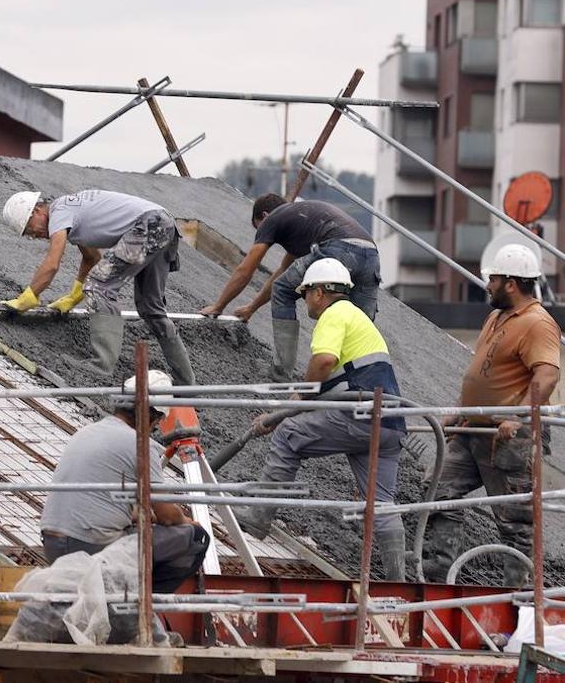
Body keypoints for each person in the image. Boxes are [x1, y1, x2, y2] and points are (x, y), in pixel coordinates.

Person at [235, 258, 407, 581]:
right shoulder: (358, 318)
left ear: (319, 292)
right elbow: (344, 381)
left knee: (289, 434)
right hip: (390, 424)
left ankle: (257, 517)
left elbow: (325, 360)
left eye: (305, 294)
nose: (304, 301)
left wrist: (299, 398)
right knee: (382, 502)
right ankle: (399, 580)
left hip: (360, 416)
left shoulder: (333, 314)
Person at [422, 244, 560, 587]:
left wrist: (521, 417)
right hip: (474, 430)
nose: (487, 285)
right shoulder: (496, 316)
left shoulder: (537, 323)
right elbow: (482, 375)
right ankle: (438, 577)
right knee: (440, 489)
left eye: (494, 280)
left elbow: (547, 376)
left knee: (515, 519)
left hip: (508, 437)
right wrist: (459, 413)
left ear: (511, 283)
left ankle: (518, 595)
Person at [39, 369, 211, 593]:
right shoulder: (139, 444)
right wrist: (188, 522)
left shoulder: (87, 432)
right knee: (197, 538)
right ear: (150, 415)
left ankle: (119, 598)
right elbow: (168, 516)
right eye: (158, 420)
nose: (156, 427)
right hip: (90, 547)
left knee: (137, 525)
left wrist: (135, 514)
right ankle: (138, 606)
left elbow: (96, 501)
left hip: (53, 544)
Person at [0, 190, 196, 384]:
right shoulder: (72, 211)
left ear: (36, 211)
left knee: (98, 286)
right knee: (150, 307)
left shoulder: (59, 212)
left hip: (148, 224)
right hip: (163, 224)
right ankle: (186, 382)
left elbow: (52, 263)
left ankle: (101, 366)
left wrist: (29, 295)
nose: (33, 235)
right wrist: (75, 294)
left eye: (28, 228)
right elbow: (91, 257)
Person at [199, 194, 380, 378]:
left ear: (265, 215)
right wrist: (251, 308)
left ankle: (281, 372)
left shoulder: (275, 218)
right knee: (360, 320)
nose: (262, 234)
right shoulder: (303, 224)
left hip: (339, 248)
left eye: (259, 227)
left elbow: (246, 269)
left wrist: (218, 306)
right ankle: (359, 380)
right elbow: (283, 274)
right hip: (371, 255)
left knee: (284, 291)